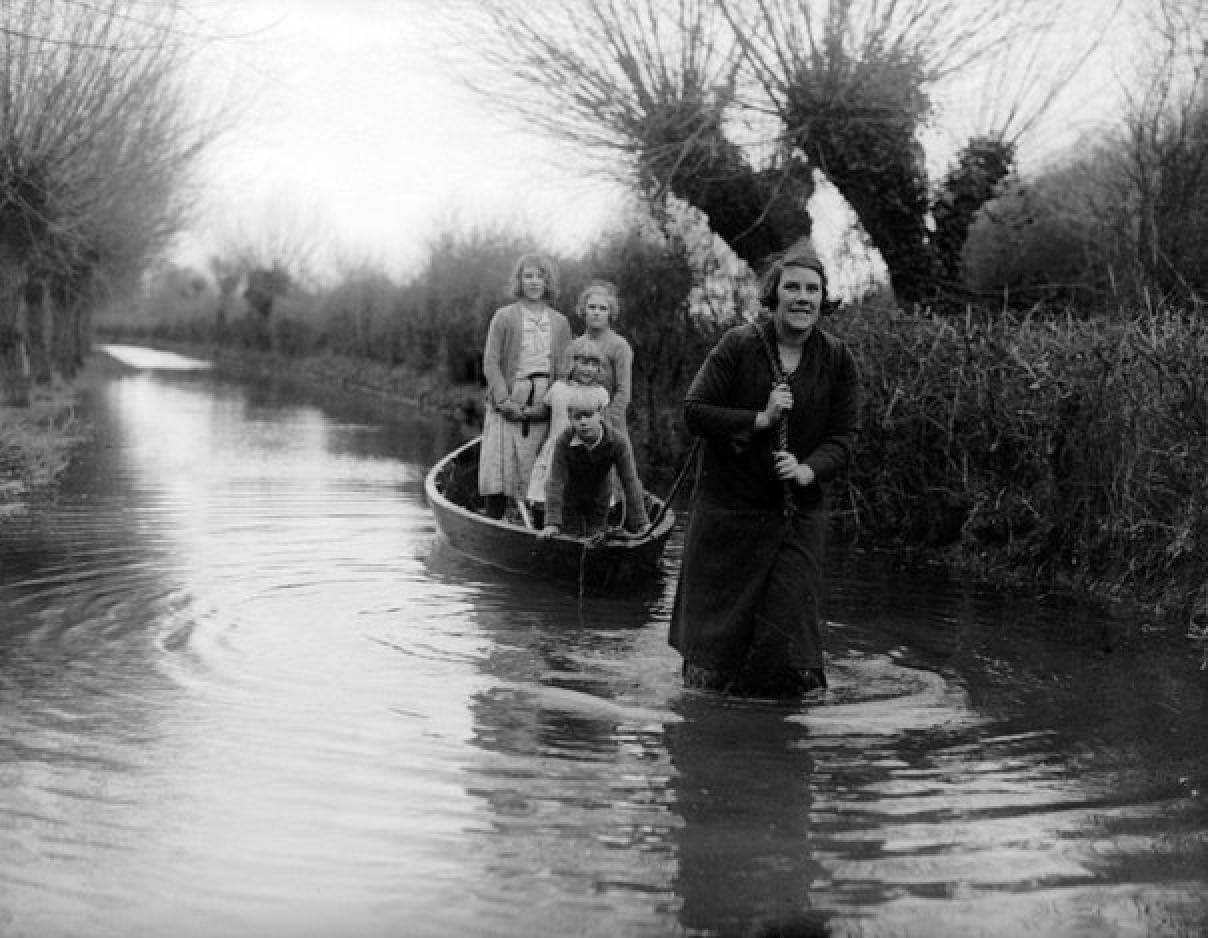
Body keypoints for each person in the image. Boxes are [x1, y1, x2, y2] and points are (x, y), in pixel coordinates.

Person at [668, 241, 860, 699]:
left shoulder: (837, 360)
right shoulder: (738, 346)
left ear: (822, 298)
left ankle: (779, 747)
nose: (802, 298)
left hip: (795, 514)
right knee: (711, 665)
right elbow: (695, 411)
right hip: (728, 514)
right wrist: (760, 419)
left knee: (791, 652)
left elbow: (845, 438)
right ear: (774, 295)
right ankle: (714, 737)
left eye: (812, 289)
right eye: (792, 287)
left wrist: (808, 470)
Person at [478, 253, 573, 519]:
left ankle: (538, 526)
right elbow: (491, 363)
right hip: (509, 397)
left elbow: (564, 370)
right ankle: (493, 521)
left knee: (538, 468)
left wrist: (547, 407)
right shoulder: (504, 317)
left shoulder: (560, 323)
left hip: (544, 401)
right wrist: (504, 401)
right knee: (499, 468)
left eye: (539, 276)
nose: (534, 282)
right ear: (519, 281)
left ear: (547, 282)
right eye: (528, 276)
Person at [538, 398, 651, 540]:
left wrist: (642, 523)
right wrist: (552, 523)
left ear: (600, 415)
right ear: (570, 419)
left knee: (596, 538)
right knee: (570, 539)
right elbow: (555, 481)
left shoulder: (617, 442)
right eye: (577, 418)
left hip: (600, 496)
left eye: (589, 416)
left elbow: (630, 482)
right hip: (570, 496)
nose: (583, 422)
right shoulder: (564, 441)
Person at [526, 337, 611, 506]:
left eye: (594, 365)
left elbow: (605, 425)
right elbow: (544, 412)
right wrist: (522, 412)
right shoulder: (559, 388)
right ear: (573, 364)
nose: (589, 369)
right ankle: (546, 520)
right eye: (584, 363)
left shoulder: (600, 393)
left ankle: (583, 523)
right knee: (551, 491)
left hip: (585, 450)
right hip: (558, 448)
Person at [561, 280, 634, 435]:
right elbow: (565, 386)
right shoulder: (573, 347)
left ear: (610, 313)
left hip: (609, 425)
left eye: (603, 308)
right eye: (592, 307)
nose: (596, 312)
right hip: (577, 424)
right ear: (584, 310)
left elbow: (623, 392)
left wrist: (606, 421)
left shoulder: (619, 346)